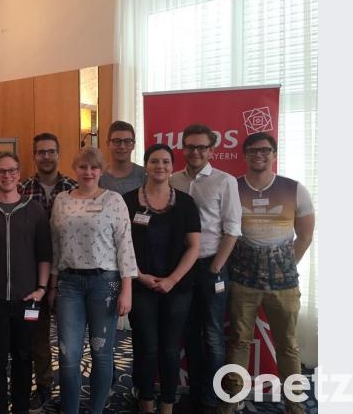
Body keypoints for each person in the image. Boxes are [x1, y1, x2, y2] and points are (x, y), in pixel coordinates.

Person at [217, 133, 315, 414]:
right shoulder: (231, 187)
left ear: (273, 153)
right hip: (242, 282)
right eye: (253, 150)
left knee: (288, 344)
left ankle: (294, 402)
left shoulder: (294, 189)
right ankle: (232, 398)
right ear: (245, 155)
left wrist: (284, 266)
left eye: (265, 150)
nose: (259, 155)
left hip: (284, 284)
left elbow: (305, 236)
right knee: (238, 341)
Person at [47, 147, 138, 414]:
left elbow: (125, 246)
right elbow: (55, 246)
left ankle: (97, 409)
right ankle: (71, 410)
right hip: (69, 284)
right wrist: (52, 285)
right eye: (83, 167)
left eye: (94, 167)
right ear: (75, 169)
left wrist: (127, 289)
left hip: (105, 284)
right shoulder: (61, 200)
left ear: (101, 170)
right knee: (68, 355)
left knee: (101, 352)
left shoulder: (114, 200)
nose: (88, 172)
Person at [0, 151, 53, 414]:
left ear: (19, 173)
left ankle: (21, 406)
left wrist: (41, 289)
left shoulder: (35, 210)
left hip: (27, 299)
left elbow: (44, 254)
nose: (7, 176)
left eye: (12, 170)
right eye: (0, 171)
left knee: (23, 356)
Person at [169, 124, 242, 414]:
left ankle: (212, 399)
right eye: (190, 146)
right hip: (182, 268)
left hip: (212, 266)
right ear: (183, 148)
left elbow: (233, 230)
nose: (195, 151)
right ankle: (196, 393)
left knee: (212, 334)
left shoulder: (225, 181)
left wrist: (214, 268)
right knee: (189, 333)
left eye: (201, 147)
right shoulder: (173, 180)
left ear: (211, 150)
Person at [124, 144, 201, 414]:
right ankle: (145, 401)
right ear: (145, 165)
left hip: (177, 288)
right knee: (146, 347)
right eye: (154, 161)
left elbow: (194, 246)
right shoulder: (127, 201)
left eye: (166, 162)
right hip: (140, 286)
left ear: (172, 166)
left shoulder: (186, 202)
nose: (160, 166)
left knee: (169, 348)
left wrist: (172, 280)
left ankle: (167, 403)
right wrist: (141, 276)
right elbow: (120, 246)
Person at [18, 132, 77, 412]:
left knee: (72, 336)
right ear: (34, 155)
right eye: (41, 152)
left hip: (71, 273)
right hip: (36, 275)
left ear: (58, 154)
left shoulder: (75, 187)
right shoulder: (21, 189)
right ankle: (43, 386)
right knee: (39, 337)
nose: (46, 156)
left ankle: (72, 386)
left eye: (51, 151)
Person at [99, 121, 146, 194]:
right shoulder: (98, 176)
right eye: (117, 141)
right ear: (108, 144)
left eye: (127, 141)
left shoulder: (145, 175)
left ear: (133, 145)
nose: (122, 146)